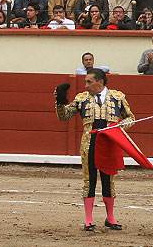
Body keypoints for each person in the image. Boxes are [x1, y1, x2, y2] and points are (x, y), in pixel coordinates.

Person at [55, 68, 132, 231]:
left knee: (108, 181)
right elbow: (64, 117)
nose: (86, 85)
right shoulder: (81, 98)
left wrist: (123, 124)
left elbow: (130, 117)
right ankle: (88, 220)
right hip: (89, 143)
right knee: (89, 181)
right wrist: (60, 103)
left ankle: (110, 218)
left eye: (89, 82)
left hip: (109, 142)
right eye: (85, 82)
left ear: (100, 82)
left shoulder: (117, 97)